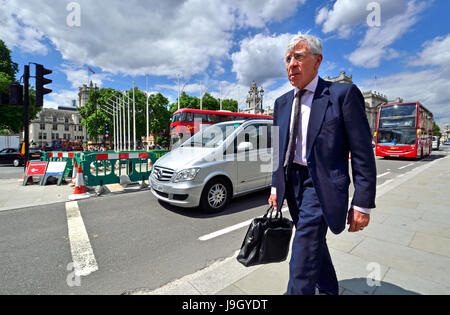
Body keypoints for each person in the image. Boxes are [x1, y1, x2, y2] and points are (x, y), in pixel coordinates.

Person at [268, 34, 376, 295]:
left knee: (302, 251)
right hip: (292, 183)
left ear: (317, 61)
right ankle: (328, 289)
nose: (291, 64)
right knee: (313, 240)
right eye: (287, 59)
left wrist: (362, 202)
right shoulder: (281, 103)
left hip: (321, 185)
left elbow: (362, 152)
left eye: (299, 56)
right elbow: (276, 150)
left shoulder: (342, 95)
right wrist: (274, 186)